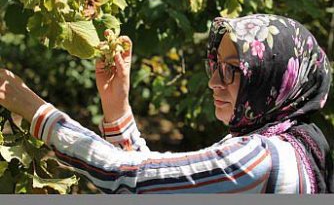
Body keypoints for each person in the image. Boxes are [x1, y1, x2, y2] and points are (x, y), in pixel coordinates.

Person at [0, 14, 333, 193]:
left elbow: (129, 181)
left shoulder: (260, 160)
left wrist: (34, 110)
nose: (214, 82)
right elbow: (161, 182)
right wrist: (117, 108)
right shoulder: (294, 144)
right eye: (215, 65)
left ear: (275, 77)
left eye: (233, 70)